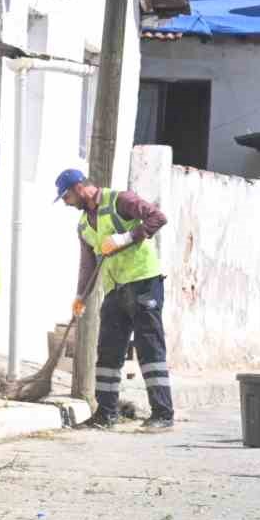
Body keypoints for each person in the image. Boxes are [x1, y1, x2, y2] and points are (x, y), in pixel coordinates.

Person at [54, 168, 173, 430]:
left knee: (149, 349)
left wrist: (126, 237)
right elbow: (88, 264)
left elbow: (157, 217)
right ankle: (106, 414)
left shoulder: (120, 200)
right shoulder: (84, 225)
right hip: (115, 289)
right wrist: (80, 297)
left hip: (144, 282)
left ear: (78, 188)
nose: (65, 202)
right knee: (108, 353)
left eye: (66, 197)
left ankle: (163, 414)